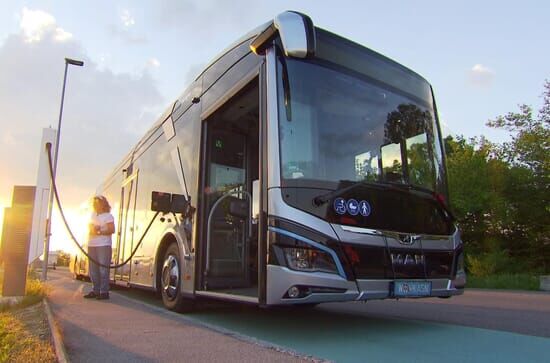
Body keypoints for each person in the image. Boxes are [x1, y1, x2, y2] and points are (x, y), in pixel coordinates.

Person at [83, 195, 115, 300]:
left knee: (103, 269)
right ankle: (95, 290)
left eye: (97, 203)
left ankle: (104, 292)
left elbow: (111, 229)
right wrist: (92, 229)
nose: (95, 205)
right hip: (92, 244)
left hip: (103, 245)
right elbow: (89, 226)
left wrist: (99, 231)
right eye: (94, 204)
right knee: (93, 270)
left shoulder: (108, 216)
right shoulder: (93, 215)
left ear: (103, 204)